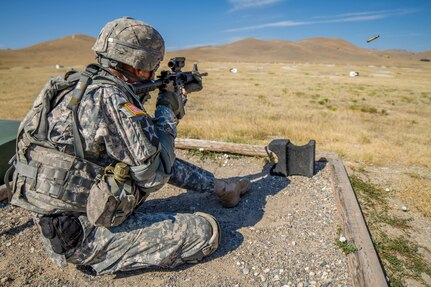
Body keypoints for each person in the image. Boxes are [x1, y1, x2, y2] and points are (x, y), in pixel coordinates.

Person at [8, 17, 250, 275]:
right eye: (152, 67)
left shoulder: (70, 85)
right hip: (81, 235)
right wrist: (167, 110)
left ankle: (222, 188)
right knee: (205, 231)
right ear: (139, 65)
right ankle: (100, 257)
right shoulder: (111, 98)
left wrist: (215, 185)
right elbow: (155, 175)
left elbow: (143, 150)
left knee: (141, 159)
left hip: (55, 221)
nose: (154, 74)